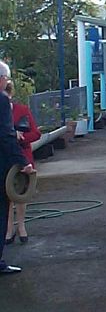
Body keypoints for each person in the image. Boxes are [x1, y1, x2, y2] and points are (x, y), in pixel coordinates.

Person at [0, 61, 34, 274]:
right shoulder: (2, 100)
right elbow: (5, 135)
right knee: (2, 211)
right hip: (2, 165)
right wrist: (23, 162)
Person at [5, 81, 40, 244]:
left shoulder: (22, 110)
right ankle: (8, 228)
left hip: (23, 155)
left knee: (21, 193)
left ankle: (21, 226)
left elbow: (36, 133)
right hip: (5, 156)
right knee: (6, 194)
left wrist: (22, 137)